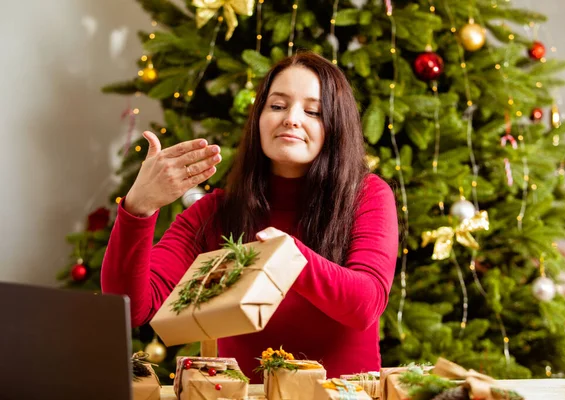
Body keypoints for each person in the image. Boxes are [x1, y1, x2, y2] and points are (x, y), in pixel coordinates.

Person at [102, 51, 399, 381]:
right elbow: (129, 306)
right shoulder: (217, 211)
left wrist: (289, 257)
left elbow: (365, 304)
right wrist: (137, 209)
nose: (291, 118)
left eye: (313, 111)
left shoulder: (367, 196)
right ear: (259, 119)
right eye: (277, 106)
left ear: (336, 127)